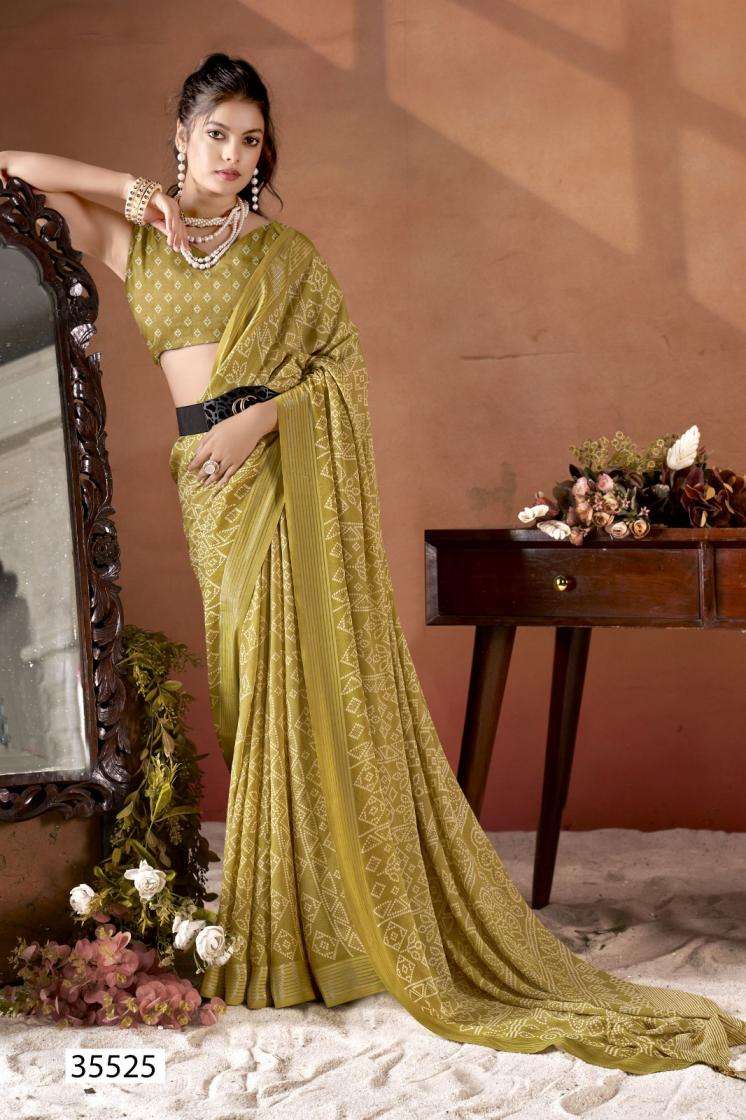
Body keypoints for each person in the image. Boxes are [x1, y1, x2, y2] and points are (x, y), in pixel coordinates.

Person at [4, 51, 746, 1082]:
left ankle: (307, 932)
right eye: (215, 134)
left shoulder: (288, 257)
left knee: (297, 690)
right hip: (210, 492)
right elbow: (10, 170)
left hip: (272, 464)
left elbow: (340, 375)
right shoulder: (137, 241)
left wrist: (263, 417)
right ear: (180, 136)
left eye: (250, 140)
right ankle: (296, 913)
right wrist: (126, 187)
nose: (233, 155)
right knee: (250, 692)